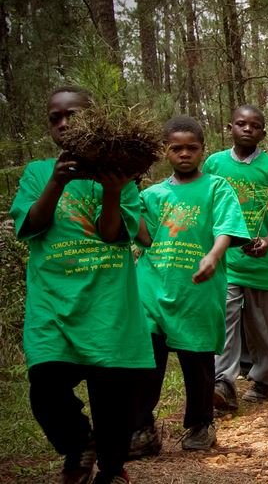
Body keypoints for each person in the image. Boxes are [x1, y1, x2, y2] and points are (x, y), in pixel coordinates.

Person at [10, 86, 153, 484]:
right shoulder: (37, 173)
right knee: (46, 386)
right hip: (52, 303)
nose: (63, 123)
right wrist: (56, 182)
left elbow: (114, 235)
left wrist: (111, 191)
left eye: (71, 114)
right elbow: (32, 226)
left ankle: (110, 468)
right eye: (54, 118)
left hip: (107, 303)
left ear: (93, 119)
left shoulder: (120, 174)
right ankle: (78, 445)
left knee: (114, 401)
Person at [133, 116, 251, 453]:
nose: (184, 154)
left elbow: (226, 228)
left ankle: (201, 424)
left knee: (196, 360)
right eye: (176, 148)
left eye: (192, 148)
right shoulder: (152, 194)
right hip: (153, 286)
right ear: (165, 151)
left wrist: (214, 256)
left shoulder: (216, 187)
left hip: (198, 290)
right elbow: (144, 237)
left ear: (202, 150)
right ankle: (142, 428)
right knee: (148, 360)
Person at [203, 105, 268, 413]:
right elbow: (206, 204)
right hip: (226, 261)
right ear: (229, 127)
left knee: (263, 325)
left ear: (263, 133)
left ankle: (264, 380)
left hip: (262, 259)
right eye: (241, 124)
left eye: (254, 126)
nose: (247, 129)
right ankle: (223, 384)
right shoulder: (215, 164)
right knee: (225, 322)